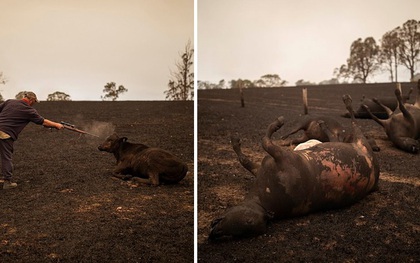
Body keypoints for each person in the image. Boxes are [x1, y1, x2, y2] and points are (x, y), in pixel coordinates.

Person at [0, 92, 64, 189]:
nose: (34, 104)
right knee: (6, 157)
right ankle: (7, 182)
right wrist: (56, 125)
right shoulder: (29, 110)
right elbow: (43, 122)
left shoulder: (9, 102)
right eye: (34, 102)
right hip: (6, 133)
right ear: (31, 100)